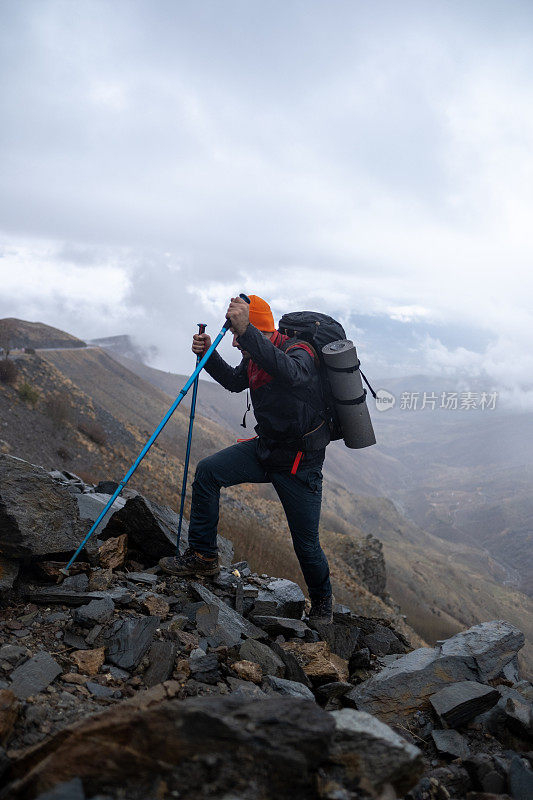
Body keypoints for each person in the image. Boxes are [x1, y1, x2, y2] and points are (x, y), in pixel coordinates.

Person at [159, 294, 334, 624]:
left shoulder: (299, 350)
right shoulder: (256, 352)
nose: (238, 346)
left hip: (300, 464)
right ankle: (203, 556)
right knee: (209, 472)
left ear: (261, 332)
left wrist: (247, 333)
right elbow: (235, 382)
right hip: (265, 449)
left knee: (307, 544)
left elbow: (294, 374)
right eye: (238, 340)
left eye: (242, 338)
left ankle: (323, 602)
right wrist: (208, 354)